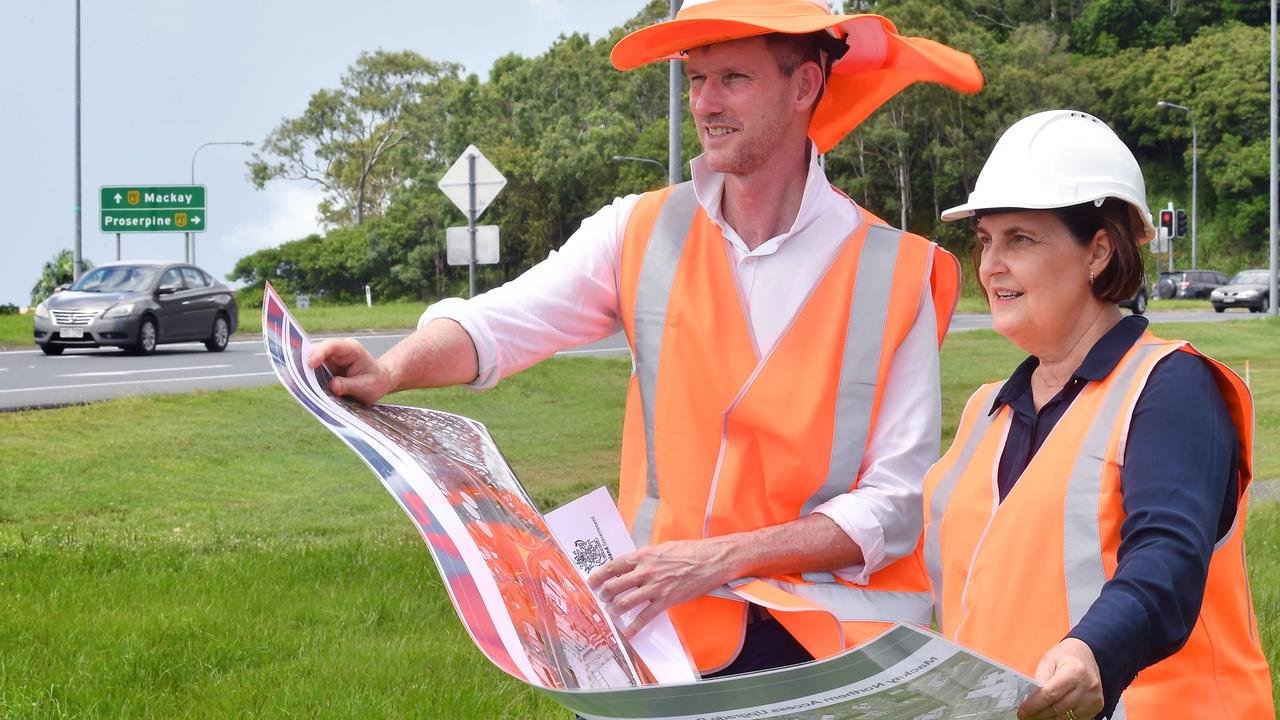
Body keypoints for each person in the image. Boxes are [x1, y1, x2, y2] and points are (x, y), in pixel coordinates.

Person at [310, 0, 983, 678]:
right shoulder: (640, 229)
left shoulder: (897, 269)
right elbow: (501, 323)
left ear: (805, 84)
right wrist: (389, 370)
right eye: (695, 80)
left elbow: (896, 505)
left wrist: (722, 558)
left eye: (733, 79)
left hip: (825, 647)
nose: (706, 104)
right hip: (664, 636)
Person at [923, 109, 1273, 719]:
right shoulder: (987, 410)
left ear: (1099, 252)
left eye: (1020, 240)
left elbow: (1167, 551)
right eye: (985, 241)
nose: (990, 266)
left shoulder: (1170, 388)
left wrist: (1094, 650)